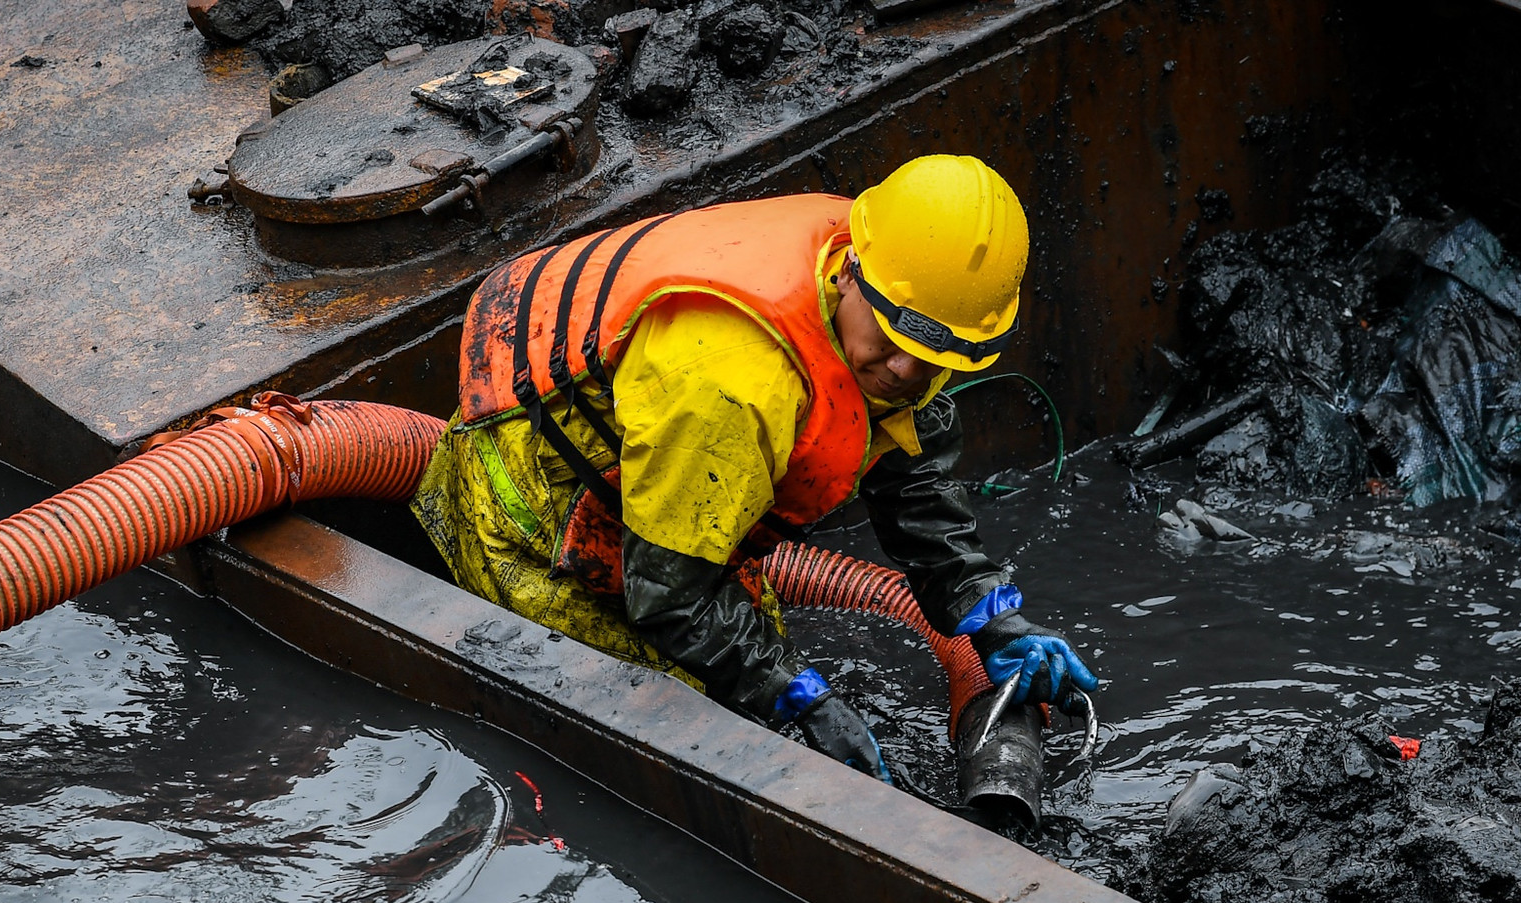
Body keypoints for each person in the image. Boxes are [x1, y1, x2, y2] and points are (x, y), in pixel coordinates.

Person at [411, 155, 1097, 781]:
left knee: (756, 673)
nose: (905, 371)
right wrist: (803, 700)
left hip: (674, 485)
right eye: (894, 338)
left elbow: (910, 477)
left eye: (937, 357)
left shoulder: (906, 284)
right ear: (851, 272)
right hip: (532, 505)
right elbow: (669, 597)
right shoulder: (733, 385)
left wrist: (992, 616)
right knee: (686, 727)